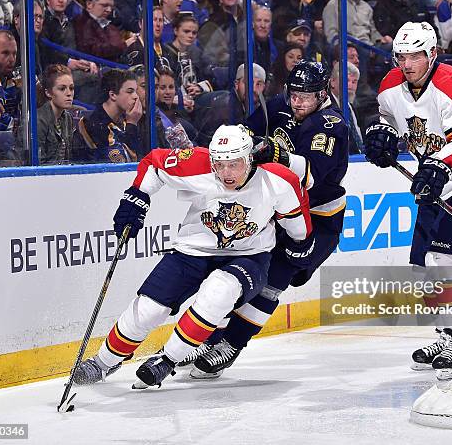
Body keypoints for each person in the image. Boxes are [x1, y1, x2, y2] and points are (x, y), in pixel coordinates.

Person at [73, 124, 314, 387]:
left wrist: (300, 249)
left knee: (219, 292)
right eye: (219, 165)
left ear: (249, 157)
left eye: (233, 164)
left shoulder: (278, 180)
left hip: (249, 256)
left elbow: (298, 227)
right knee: (148, 310)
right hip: (192, 250)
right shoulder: (198, 164)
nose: (225, 173)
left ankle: (167, 360)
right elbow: (155, 163)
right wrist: (137, 196)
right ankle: (103, 361)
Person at [185, 61, 349, 379]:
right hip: (275, 214)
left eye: (307, 96)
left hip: (316, 220)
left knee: (271, 283)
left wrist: (275, 152)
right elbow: (245, 131)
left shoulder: (330, 124)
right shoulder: (279, 106)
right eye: (294, 94)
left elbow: (310, 176)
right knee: (234, 275)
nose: (298, 102)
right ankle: (210, 340)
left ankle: (231, 344)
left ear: (324, 92)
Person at [363, 22, 452, 380]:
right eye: (402, 56)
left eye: (415, 55)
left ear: (432, 55)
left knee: (443, 259)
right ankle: (444, 335)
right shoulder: (390, 85)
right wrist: (381, 135)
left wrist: (440, 163)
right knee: (423, 270)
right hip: (435, 183)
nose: (407, 63)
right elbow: (388, 121)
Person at [76, 68, 142, 163]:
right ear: (113, 95)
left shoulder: (127, 120)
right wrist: (132, 124)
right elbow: (121, 162)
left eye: (136, 91)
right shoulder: (93, 123)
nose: (136, 96)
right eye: (130, 91)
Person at [193, 63, 266, 146]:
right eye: (247, 82)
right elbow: (208, 145)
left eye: (259, 84)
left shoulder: (263, 109)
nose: (253, 88)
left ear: (264, 87)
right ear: (236, 84)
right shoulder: (222, 108)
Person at [37, 64, 76, 164]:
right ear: (48, 93)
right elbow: (37, 163)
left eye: (71, 88)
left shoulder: (68, 118)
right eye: (62, 89)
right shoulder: (38, 120)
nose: (69, 93)